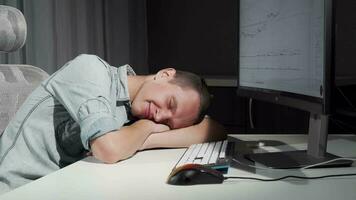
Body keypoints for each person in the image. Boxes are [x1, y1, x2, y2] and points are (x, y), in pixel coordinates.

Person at [0, 54, 226, 193]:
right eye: (170, 103)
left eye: (168, 122)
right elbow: (109, 149)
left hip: (62, 188)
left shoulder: (131, 112)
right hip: (19, 190)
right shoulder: (90, 71)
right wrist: (147, 127)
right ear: (165, 74)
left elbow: (214, 130)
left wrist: (141, 139)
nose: (159, 116)